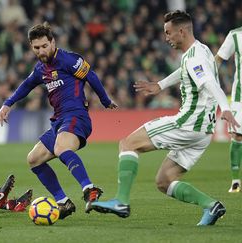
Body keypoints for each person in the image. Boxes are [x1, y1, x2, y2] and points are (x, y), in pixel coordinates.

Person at [90, 10, 240, 226]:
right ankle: (211, 206)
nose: (166, 38)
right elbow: (184, 71)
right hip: (203, 133)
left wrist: (225, 108)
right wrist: (160, 85)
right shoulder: (200, 50)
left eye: (169, 33)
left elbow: (208, 82)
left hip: (188, 123)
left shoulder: (195, 56)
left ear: (181, 31)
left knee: (128, 143)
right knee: (164, 181)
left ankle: (121, 201)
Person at [0, 22, 117, 219]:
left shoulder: (68, 59)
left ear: (52, 42)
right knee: (33, 159)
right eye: (36, 48)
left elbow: (91, 76)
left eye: (44, 46)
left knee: (61, 148)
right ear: (31, 47)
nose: (41, 51)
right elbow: (26, 86)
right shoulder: (40, 68)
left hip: (77, 116)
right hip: (59, 121)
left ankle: (90, 189)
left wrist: (105, 100)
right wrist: (7, 104)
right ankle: (63, 202)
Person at [215, 26, 242, 193]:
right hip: (240, 96)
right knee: (237, 135)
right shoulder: (235, 35)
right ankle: (236, 181)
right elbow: (218, 59)